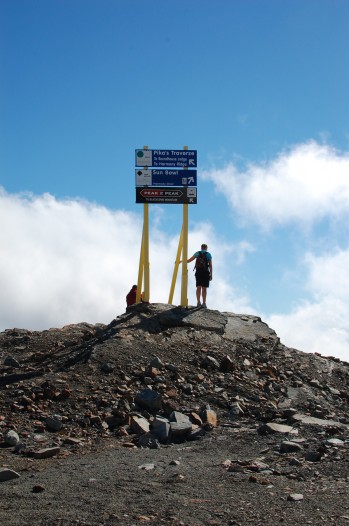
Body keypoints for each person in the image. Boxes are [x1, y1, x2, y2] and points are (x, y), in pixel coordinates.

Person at [181, 243, 212, 308]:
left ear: (201, 248)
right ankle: (204, 303)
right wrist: (211, 274)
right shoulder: (208, 254)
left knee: (198, 287)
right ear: (206, 248)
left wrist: (182, 261)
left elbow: (189, 260)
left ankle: (198, 302)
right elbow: (210, 265)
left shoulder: (197, 253)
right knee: (204, 288)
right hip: (205, 273)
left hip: (198, 272)